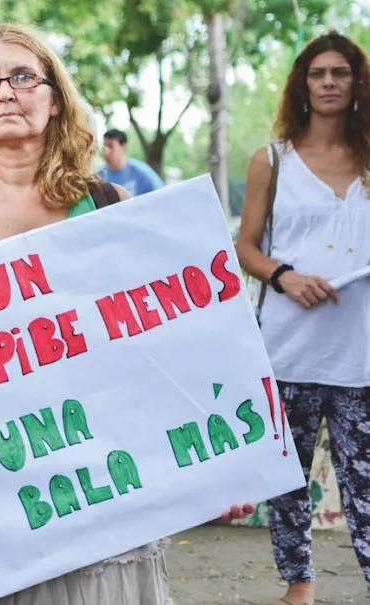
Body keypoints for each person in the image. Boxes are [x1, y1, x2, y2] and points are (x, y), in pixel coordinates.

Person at [0, 23, 252, 604]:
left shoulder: (111, 207)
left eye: (23, 76)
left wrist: (225, 465)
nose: (5, 91)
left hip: (113, 473)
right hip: (8, 489)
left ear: (54, 99)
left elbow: (167, 344)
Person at [236, 31, 370, 605]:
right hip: (287, 349)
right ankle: (300, 583)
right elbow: (243, 248)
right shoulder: (272, 160)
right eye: (318, 74)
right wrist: (285, 275)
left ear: (357, 82)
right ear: (302, 85)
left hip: (360, 354)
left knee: (365, 486)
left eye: (341, 72)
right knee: (286, 481)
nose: (330, 83)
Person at [99, 128, 164, 196]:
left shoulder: (141, 172)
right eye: (104, 147)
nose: (106, 152)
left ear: (123, 147)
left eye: (110, 146)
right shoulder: (99, 174)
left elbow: (162, 194)